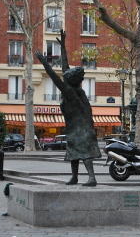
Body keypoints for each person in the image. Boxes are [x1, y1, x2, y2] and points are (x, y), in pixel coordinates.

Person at [35, 31, 101, 186]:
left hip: (80, 129)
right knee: (73, 153)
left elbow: (55, 78)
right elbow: (65, 68)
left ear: (71, 80)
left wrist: (45, 62)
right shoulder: (76, 89)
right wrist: (63, 46)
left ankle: (92, 178)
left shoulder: (70, 92)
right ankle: (75, 177)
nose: (65, 76)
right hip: (76, 127)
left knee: (83, 152)